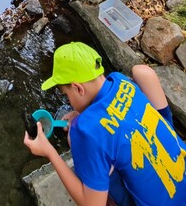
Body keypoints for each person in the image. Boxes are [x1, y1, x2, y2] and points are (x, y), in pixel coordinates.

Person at [24, 42, 186, 206]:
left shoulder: (84, 130)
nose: (69, 102)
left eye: (67, 96)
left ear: (78, 88)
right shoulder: (121, 80)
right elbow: (111, 111)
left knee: (78, 143)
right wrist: (83, 114)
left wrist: (50, 152)